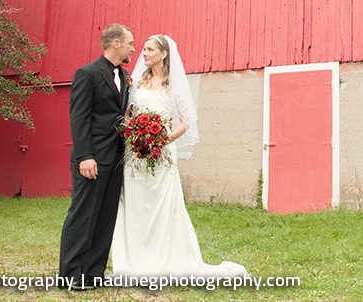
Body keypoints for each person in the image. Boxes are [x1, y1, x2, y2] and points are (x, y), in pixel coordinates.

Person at [111, 34, 248, 277]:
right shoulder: (137, 82)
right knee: (134, 202)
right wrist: (135, 134)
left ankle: (166, 258)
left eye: (150, 50)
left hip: (161, 152)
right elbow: (128, 114)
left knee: (162, 203)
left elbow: (187, 121)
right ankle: (133, 261)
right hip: (135, 152)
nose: (144, 54)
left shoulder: (174, 85)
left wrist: (163, 139)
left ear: (163, 54)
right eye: (143, 49)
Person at [59, 24, 135, 289]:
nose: (133, 49)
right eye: (130, 43)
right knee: (83, 216)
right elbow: (78, 118)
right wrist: (84, 156)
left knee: (105, 219)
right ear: (116, 43)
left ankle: (93, 273)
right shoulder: (87, 74)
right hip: (91, 159)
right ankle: (71, 276)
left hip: (116, 159)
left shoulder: (125, 77)